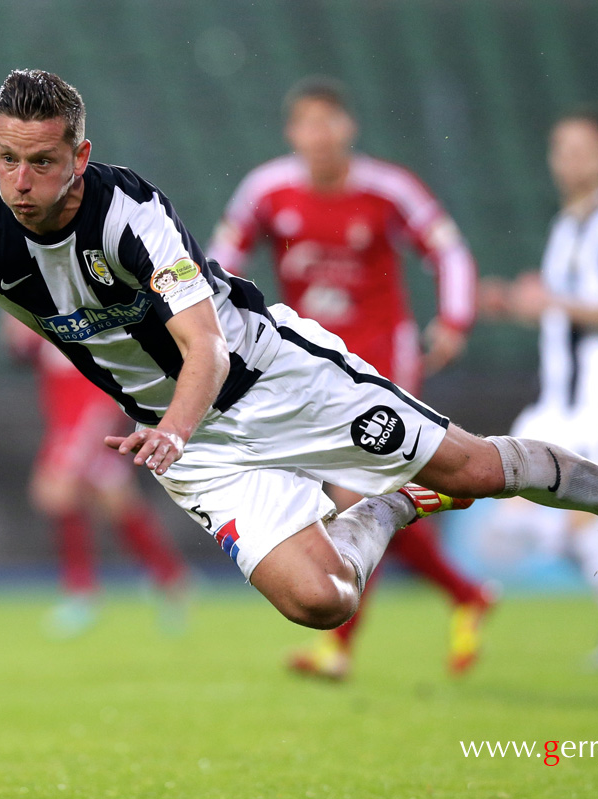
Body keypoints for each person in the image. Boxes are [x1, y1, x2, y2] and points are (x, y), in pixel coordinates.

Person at [0, 71, 598, 653]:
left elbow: (203, 343)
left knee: (479, 469)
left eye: (42, 160)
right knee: (319, 601)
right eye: (6, 159)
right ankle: (394, 504)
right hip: (196, 446)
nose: (23, 182)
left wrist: (168, 425)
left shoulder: (130, 212)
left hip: (271, 379)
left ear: (83, 152)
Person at [209, 76, 491, 680]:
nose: (318, 134)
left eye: (328, 121)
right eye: (306, 123)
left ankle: (339, 648)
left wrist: (455, 318)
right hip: (308, 365)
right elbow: (216, 265)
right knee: (364, 498)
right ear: (292, 133)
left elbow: (449, 250)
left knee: (356, 495)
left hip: (383, 357)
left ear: (347, 127)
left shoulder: (387, 189)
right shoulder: (267, 190)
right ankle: (465, 594)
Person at [479, 109, 598, 667]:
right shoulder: (567, 228)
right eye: (563, 148)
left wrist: (553, 301)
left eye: (584, 149)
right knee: (510, 515)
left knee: (573, 519)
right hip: (558, 400)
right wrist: (515, 306)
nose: (571, 160)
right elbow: (568, 317)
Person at [2, 314, 189, 637]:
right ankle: (170, 579)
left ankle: (82, 591)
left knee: (54, 490)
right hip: (63, 409)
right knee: (114, 498)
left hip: (89, 403)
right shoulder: (29, 292)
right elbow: (18, 347)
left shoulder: (84, 290)